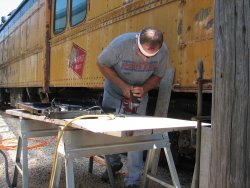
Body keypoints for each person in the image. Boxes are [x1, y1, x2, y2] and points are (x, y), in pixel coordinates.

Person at [97, 26, 168, 187]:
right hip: (114, 91)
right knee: (109, 131)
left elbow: (158, 75)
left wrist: (144, 89)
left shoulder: (163, 51)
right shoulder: (121, 44)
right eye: (142, 54)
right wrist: (122, 86)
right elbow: (101, 63)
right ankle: (112, 165)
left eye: (151, 56)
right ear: (137, 42)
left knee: (137, 136)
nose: (145, 59)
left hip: (138, 94)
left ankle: (133, 180)